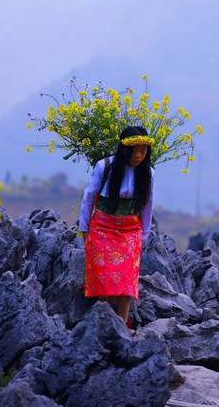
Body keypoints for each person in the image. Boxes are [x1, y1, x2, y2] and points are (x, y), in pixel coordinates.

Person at [78, 126, 155, 331]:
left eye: (143, 151)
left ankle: (122, 324)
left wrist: (144, 233)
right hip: (102, 227)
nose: (139, 156)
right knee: (104, 275)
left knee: (126, 278)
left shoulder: (148, 172)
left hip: (130, 230)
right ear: (124, 149)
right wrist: (84, 227)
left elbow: (147, 203)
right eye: (134, 151)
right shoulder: (104, 166)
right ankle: (102, 322)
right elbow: (89, 197)